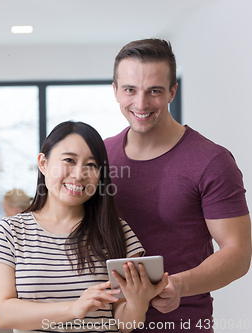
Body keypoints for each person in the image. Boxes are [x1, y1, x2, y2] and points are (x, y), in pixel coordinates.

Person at [105, 38, 251, 331]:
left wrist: (179, 285)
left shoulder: (211, 160)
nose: (141, 104)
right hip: (107, 324)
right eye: (130, 90)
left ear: (172, 91)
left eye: (154, 91)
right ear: (116, 91)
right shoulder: (101, 156)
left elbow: (238, 253)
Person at [0, 121, 169, 333]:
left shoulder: (116, 230)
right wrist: (74, 308)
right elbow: (3, 314)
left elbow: (125, 325)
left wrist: (137, 303)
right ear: (43, 163)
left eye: (91, 165)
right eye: (69, 160)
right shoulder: (10, 231)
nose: (79, 174)